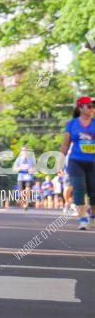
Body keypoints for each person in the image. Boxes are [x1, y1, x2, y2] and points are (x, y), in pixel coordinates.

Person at [59, 96, 95, 230]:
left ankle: (93, 218)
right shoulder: (72, 124)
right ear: (80, 107)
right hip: (76, 162)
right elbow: (64, 145)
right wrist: (60, 163)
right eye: (89, 106)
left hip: (93, 163)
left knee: (93, 192)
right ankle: (83, 219)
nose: (92, 109)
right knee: (79, 190)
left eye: (93, 106)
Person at [13, 146, 36, 210]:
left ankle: (27, 202)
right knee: (22, 192)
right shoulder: (18, 159)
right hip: (21, 177)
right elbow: (14, 168)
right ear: (21, 152)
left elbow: (35, 168)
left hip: (28, 177)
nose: (24, 151)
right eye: (23, 150)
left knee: (28, 189)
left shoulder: (31, 159)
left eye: (25, 150)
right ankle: (24, 204)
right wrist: (19, 168)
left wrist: (32, 170)